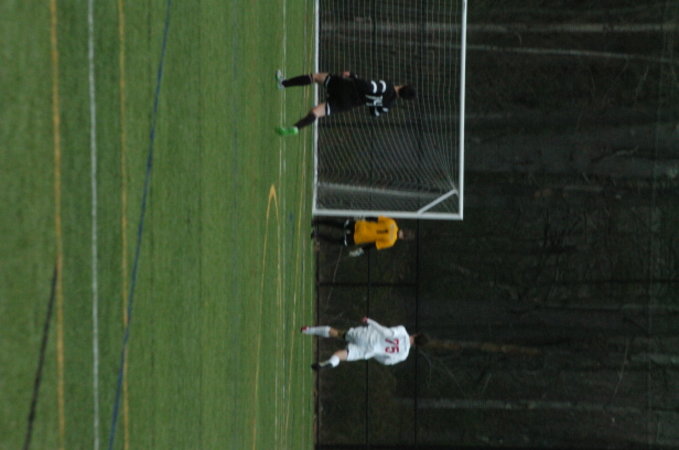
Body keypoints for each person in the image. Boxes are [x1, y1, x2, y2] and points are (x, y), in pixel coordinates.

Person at [274, 70, 416, 136]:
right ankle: (296, 128)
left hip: (347, 88)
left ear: (403, 85)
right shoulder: (389, 105)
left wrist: (353, 76)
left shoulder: (387, 86)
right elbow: (374, 113)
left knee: (316, 77)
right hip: (349, 103)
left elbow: (370, 87)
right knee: (316, 112)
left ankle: (283, 83)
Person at [301, 317, 428, 370]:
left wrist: (370, 321)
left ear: (416, 334)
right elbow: (386, 362)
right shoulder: (404, 355)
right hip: (369, 351)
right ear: (416, 345)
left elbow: (386, 332)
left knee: (339, 333)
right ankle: (330, 362)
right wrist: (375, 353)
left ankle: (307, 330)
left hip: (368, 336)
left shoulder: (403, 332)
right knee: (341, 355)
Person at [311, 217, 413, 257]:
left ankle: (317, 221)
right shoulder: (391, 241)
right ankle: (317, 234)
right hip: (359, 237)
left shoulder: (392, 223)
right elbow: (373, 245)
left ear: (403, 229)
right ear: (403, 238)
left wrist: (363, 217)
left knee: (339, 225)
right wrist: (360, 251)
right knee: (338, 241)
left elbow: (375, 218)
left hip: (360, 225)